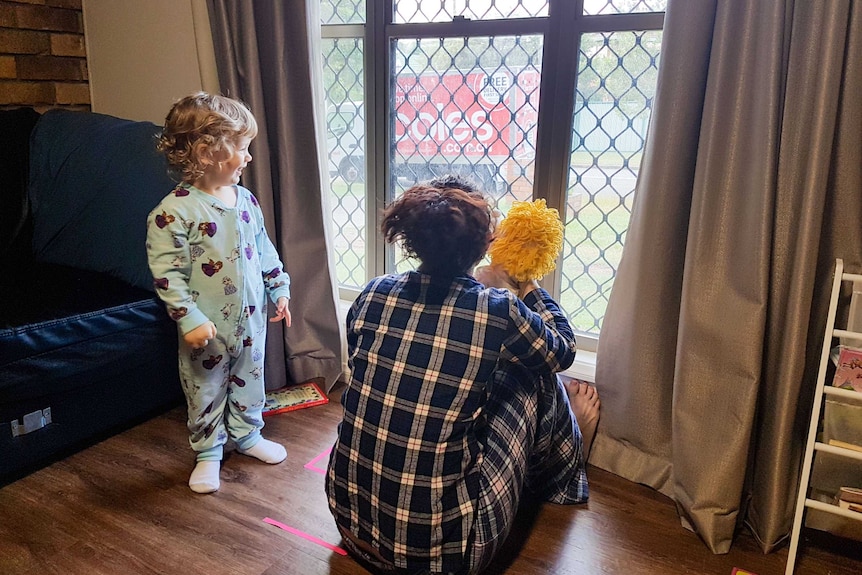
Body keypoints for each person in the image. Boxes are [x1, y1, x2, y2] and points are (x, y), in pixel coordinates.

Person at [325, 176, 600, 574]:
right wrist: (526, 285)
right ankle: (567, 464)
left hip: (351, 527)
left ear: (411, 240)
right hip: (447, 558)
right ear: (487, 243)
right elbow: (562, 351)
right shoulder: (498, 307)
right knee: (534, 372)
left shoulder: (373, 291)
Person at [146, 92, 292, 494]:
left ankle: (247, 435)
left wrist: (278, 286)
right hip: (206, 326)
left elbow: (263, 247)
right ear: (208, 152)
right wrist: (188, 318)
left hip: (251, 320)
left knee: (251, 378)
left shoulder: (245, 200)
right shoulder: (172, 212)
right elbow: (167, 275)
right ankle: (209, 451)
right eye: (242, 149)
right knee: (205, 388)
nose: (247, 158)